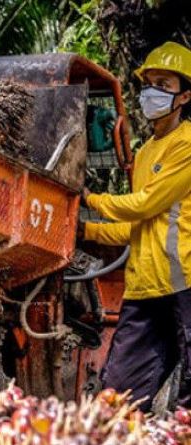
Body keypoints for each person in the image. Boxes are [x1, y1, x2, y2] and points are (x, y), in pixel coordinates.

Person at [82, 41, 191, 411]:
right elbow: (139, 226)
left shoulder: (188, 144)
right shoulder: (144, 154)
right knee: (118, 401)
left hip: (184, 286)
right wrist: (87, 231)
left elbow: (146, 205)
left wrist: (91, 200)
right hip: (145, 289)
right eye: (149, 82)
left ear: (184, 96)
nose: (152, 92)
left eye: (164, 84)